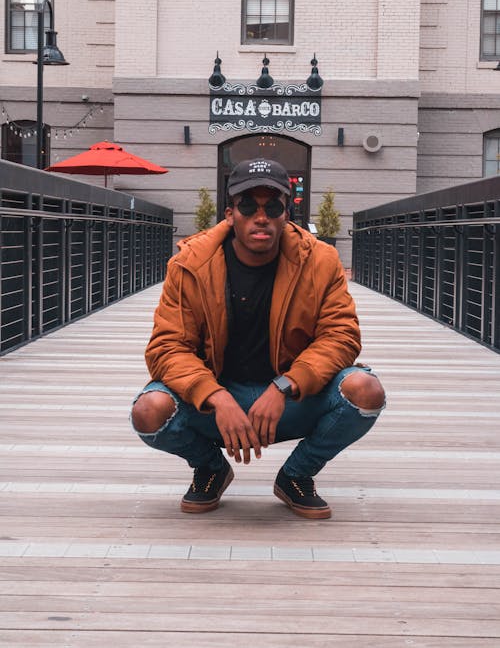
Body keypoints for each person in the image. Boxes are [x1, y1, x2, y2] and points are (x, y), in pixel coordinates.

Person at [131, 158, 385, 519]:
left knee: (365, 391)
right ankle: (210, 468)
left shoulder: (321, 260)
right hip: (217, 401)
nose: (260, 217)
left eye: (273, 206)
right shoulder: (190, 264)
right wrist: (215, 396)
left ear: (287, 213)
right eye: (248, 206)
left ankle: (297, 475)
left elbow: (341, 336)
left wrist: (285, 386)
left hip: (290, 397)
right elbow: (167, 347)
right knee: (149, 411)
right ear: (230, 213)